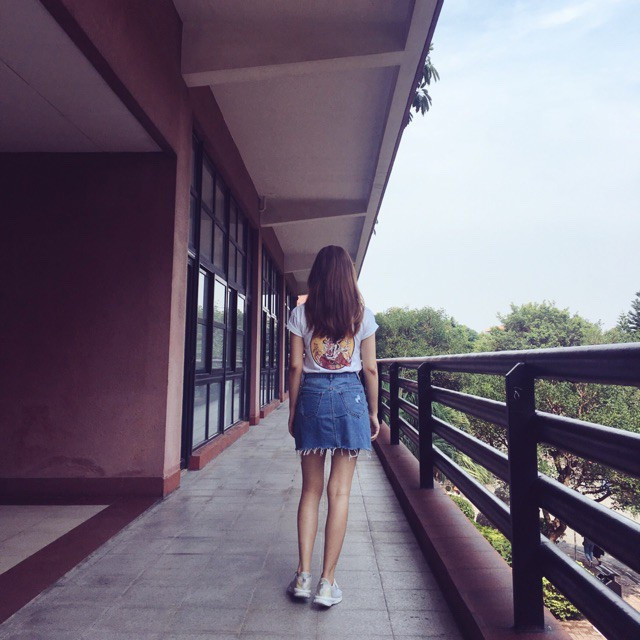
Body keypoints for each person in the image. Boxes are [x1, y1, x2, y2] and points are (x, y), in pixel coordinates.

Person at [285, 245, 381, 608]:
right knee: (339, 493)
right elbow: (370, 369)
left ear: (318, 275)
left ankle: (302, 576)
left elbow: (296, 367)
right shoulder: (362, 315)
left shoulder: (301, 314)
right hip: (350, 400)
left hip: (311, 397)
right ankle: (327, 583)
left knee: (310, 491)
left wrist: (294, 410)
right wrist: (373, 413)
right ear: (348, 276)